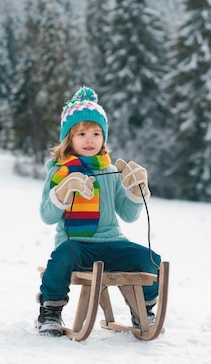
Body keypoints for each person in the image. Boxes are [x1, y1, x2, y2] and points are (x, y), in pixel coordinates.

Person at [36, 86, 161, 337]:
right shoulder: (60, 172)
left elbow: (127, 214)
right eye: (81, 133)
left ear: (104, 137)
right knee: (59, 260)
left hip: (112, 243)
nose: (90, 139)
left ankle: (143, 310)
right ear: (69, 138)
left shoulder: (109, 170)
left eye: (96, 132)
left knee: (150, 259)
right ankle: (50, 312)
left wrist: (137, 193)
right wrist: (63, 191)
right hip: (77, 245)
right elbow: (47, 215)